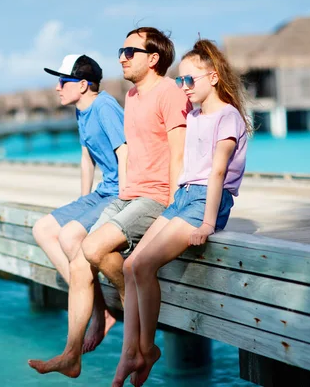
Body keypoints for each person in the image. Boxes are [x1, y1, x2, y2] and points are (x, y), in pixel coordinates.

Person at [28, 28, 190, 378]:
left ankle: (129, 317)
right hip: (128, 194)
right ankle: (72, 354)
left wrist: (176, 206)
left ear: (153, 58)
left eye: (130, 51)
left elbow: (177, 153)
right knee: (81, 257)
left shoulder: (170, 93)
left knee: (90, 246)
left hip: (155, 196)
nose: (121, 57)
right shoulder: (132, 96)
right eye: (121, 50)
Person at [112, 39, 253, 387]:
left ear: (214, 78)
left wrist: (207, 223)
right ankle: (132, 351)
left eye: (189, 80)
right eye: (180, 81)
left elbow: (217, 172)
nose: (184, 87)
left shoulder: (228, 116)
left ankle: (146, 348)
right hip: (183, 197)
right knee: (130, 265)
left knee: (143, 265)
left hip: (207, 200)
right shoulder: (193, 114)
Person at [29, 54, 127, 375]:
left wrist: (126, 202)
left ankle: (98, 315)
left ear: (83, 85)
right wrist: (83, 202)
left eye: (63, 81)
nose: (57, 87)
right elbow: (87, 158)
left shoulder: (105, 106)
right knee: (43, 229)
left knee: (72, 236)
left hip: (118, 193)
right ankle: (100, 309)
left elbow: (124, 152)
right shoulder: (81, 111)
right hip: (99, 193)